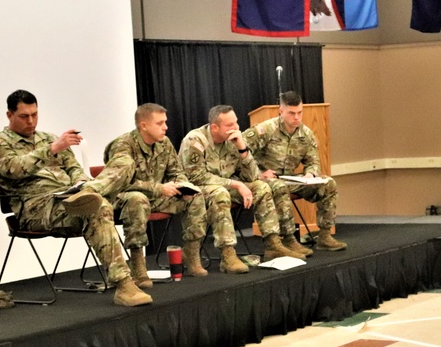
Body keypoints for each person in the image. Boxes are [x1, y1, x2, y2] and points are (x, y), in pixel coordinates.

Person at [0, 90, 152, 306]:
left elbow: (74, 168)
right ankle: (123, 284)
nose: (31, 121)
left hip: (71, 196)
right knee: (96, 206)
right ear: (9, 115)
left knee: (132, 186)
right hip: (38, 207)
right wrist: (53, 149)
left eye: (35, 114)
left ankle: (91, 192)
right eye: (24, 116)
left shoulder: (48, 138)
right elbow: (14, 169)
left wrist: (80, 183)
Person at [179, 105, 302, 274]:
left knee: (261, 187)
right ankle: (227, 254)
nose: (236, 128)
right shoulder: (195, 141)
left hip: (225, 186)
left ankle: (273, 244)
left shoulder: (233, 141)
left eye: (236, 123)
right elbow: (196, 177)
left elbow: (252, 177)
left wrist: (243, 150)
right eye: (230, 125)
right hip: (197, 189)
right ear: (215, 127)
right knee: (220, 194)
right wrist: (236, 184)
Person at [103, 103, 209, 288]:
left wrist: (183, 186)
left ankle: (191, 254)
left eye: (165, 122)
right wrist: (159, 188)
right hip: (125, 198)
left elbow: (176, 171)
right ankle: (137, 266)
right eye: (160, 123)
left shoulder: (164, 143)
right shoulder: (123, 145)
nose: (165, 128)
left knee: (196, 196)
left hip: (157, 197)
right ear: (144, 125)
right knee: (138, 199)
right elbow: (119, 182)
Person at [243, 91, 346, 252]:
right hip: (265, 181)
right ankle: (290, 239)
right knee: (279, 186)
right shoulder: (266, 130)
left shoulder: (306, 134)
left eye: (299, 113)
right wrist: (258, 174)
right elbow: (239, 152)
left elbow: (313, 161)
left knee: (328, 184)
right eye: (292, 113)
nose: (297, 118)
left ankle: (324, 235)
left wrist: (310, 174)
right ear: (281, 111)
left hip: (290, 179)